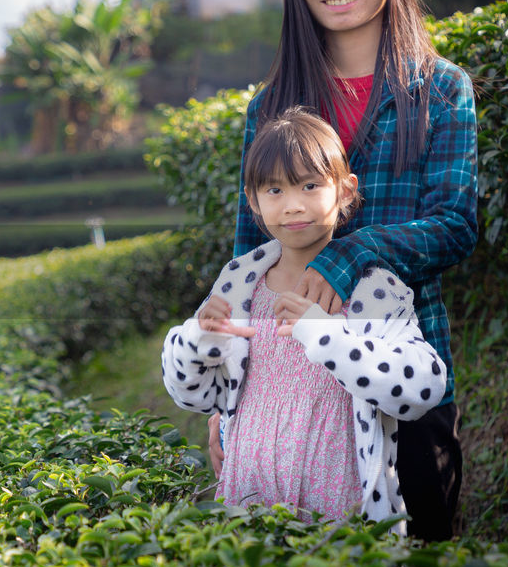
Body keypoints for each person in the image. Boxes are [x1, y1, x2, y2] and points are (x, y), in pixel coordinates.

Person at [201, 0, 477, 540]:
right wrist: (220, 392)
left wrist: (352, 253)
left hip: (400, 372)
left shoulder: (441, 90)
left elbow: (456, 223)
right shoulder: (269, 109)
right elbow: (248, 258)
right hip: (282, 391)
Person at [162, 107, 446, 535]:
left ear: (345, 192)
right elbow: (197, 395)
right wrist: (196, 340)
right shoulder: (241, 283)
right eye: (274, 190)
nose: (293, 205)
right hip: (249, 498)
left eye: (310, 186)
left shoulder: (373, 289)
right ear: (253, 200)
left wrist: (328, 337)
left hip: (340, 504)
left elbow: (423, 388)